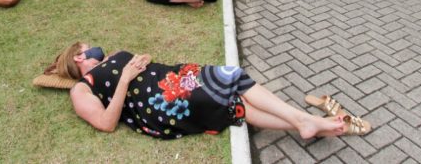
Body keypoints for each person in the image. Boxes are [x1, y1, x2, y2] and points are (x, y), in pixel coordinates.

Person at [62, 42, 372, 140]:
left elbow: (140, 63)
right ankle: (306, 122)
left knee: (231, 86)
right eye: (90, 48)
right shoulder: (81, 88)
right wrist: (126, 78)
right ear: (79, 58)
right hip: (163, 101)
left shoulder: (111, 58)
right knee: (230, 91)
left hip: (173, 74)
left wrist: (138, 60)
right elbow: (105, 123)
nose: (95, 50)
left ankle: (307, 123)